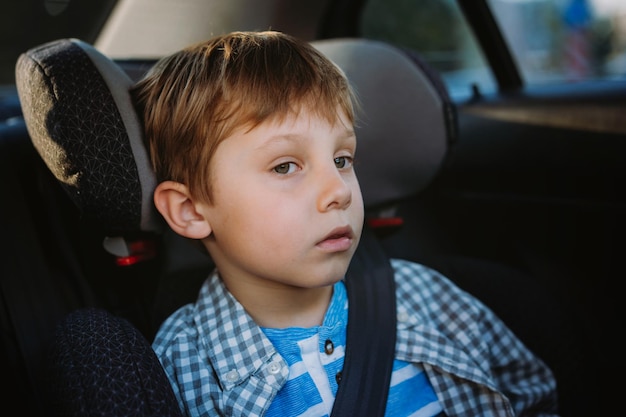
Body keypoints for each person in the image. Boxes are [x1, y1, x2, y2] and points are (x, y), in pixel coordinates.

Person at [131, 30, 559, 417]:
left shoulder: (425, 298)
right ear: (190, 210)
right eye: (285, 166)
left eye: (342, 159)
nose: (339, 190)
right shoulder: (184, 363)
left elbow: (531, 398)